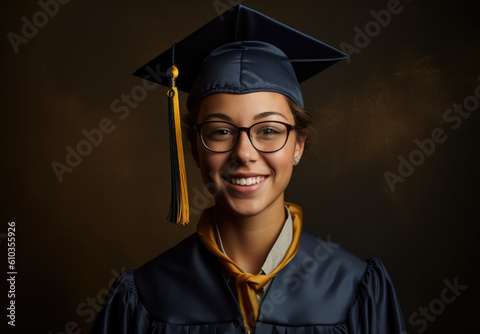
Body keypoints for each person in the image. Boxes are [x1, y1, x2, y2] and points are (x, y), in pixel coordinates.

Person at [91, 4, 406, 334]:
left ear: (298, 144)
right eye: (220, 131)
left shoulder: (354, 290)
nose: (244, 154)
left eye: (268, 130)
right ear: (195, 147)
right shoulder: (145, 298)